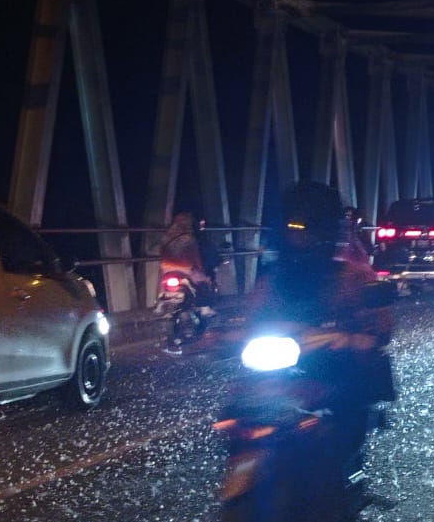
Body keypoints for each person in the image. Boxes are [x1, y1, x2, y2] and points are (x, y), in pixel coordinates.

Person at [249, 181, 395, 457]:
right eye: (293, 229)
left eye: (307, 229)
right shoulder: (273, 280)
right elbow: (253, 320)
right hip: (282, 377)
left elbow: (379, 323)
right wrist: (218, 338)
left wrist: (358, 338)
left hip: (333, 375)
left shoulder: (352, 277)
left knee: (334, 432)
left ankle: (335, 487)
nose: (300, 238)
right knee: (239, 414)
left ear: (326, 231)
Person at [159, 211, 216, 315]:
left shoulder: (167, 236)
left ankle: (160, 304)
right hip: (184, 268)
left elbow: (162, 251)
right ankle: (205, 308)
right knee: (203, 282)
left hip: (166, 267)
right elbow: (195, 256)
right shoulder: (189, 238)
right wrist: (200, 269)